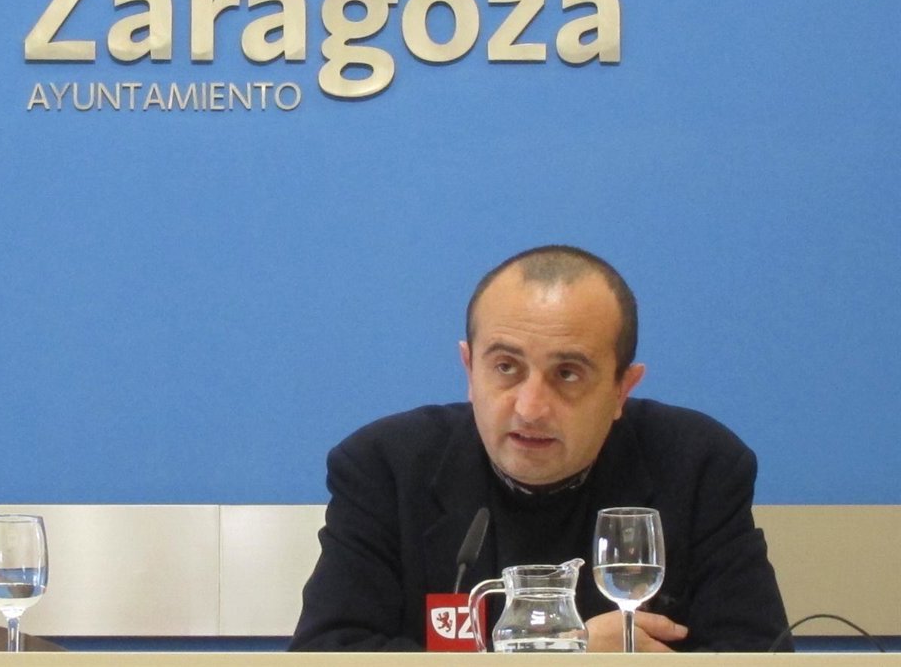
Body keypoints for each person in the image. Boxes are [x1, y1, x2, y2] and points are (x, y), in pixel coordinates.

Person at [289, 245, 791, 652]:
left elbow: (755, 654)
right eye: (506, 367)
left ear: (622, 389)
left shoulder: (698, 466)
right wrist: (564, 652)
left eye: (567, 374)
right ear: (469, 370)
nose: (530, 408)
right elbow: (328, 653)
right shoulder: (385, 468)